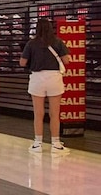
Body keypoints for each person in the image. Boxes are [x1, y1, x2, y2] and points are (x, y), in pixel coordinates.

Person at [20, 18, 70, 153]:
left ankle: (38, 143)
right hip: (54, 78)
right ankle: (56, 143)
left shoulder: (31, 43)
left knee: (38, 113)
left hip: (37, 78)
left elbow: (22, 63)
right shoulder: (58, 42)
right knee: (55, 113)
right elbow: (67, 60)